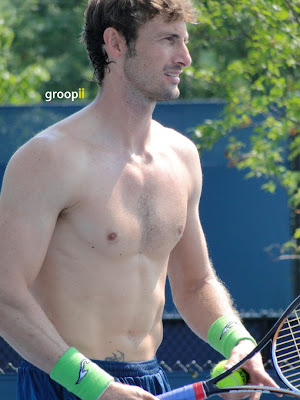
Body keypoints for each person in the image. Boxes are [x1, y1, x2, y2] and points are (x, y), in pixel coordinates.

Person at [0, 1, 279, 399]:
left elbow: (195, 282)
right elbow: (5, 294)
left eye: (184, 41)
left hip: (149, 382)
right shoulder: (47, 158)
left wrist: (238, 343)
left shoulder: (182, 155)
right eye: (169, 40)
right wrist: (97, 388)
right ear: (115, 43)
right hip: (64, 385)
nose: (185, 58)